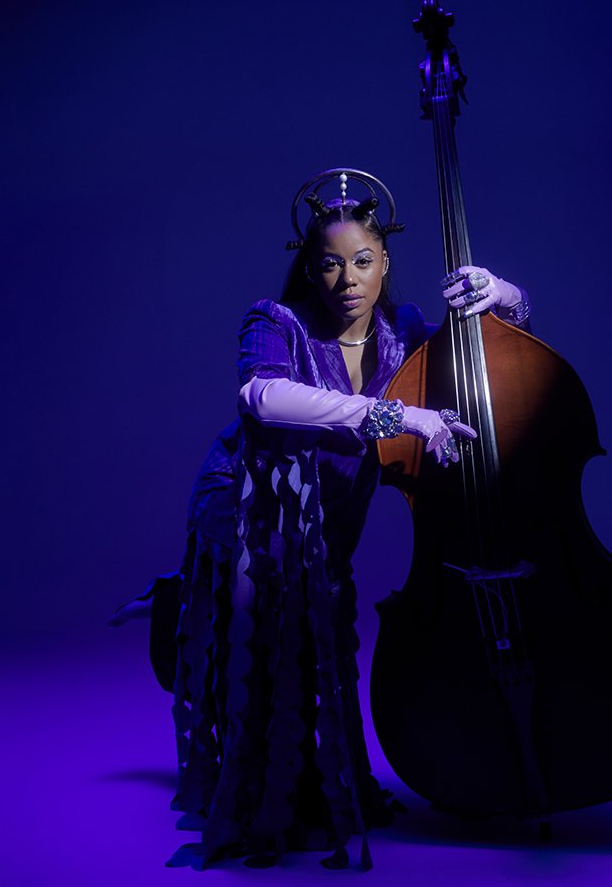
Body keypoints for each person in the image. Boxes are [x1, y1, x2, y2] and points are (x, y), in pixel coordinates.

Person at [109, 169, 532, 871]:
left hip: (331, 518)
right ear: (310, 266)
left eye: (363, 261)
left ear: (385, 262)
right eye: (331, 263)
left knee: (320, 639)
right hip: (251, 504)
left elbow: (496, 351)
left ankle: (321, 783)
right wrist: (398, 415)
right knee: (266, 644)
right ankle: (266, 802)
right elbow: (265, 398)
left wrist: (505, 295)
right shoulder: (273, 322)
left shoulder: (405, 331)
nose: (347, 279)